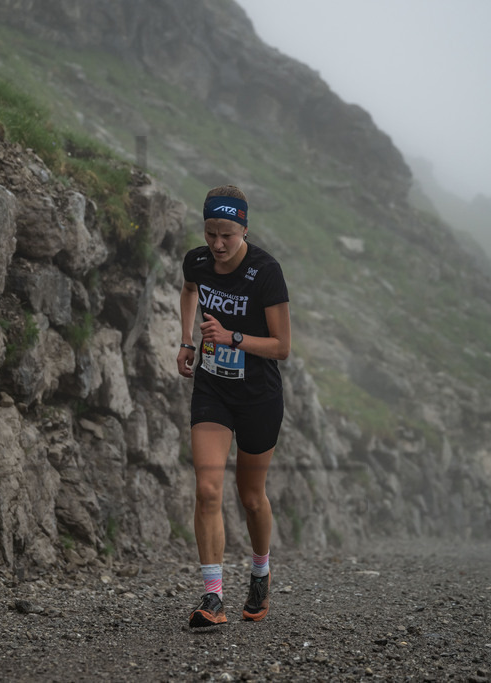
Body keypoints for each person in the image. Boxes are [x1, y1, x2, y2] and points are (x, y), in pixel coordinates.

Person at [176, 185, 291, 628]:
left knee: (251, 497)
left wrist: (232, 338)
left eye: (227, 234)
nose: (218, 245)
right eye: (210, 234)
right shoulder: (198, 260)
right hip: (213, 390)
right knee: (207, 489)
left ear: (244, 228)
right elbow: (189, 289)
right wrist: (188, 340)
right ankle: (213, 597)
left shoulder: (266, 272)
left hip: (258, 396)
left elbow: (282, 347)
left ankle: (260, 572)